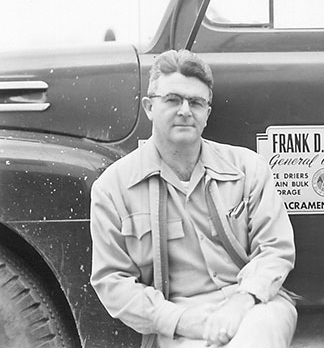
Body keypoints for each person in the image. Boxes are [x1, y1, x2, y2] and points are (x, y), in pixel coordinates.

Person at [90, 49, 297, 347]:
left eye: (196, 102)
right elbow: (113, 283)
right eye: (173, 100)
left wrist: (242, 302)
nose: (185, 110)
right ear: (149, 107)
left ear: (207, 113)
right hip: (176, 324)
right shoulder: (113, 187)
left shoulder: (247, 168)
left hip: (255, 307)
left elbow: (276, 249)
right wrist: (186, 323)